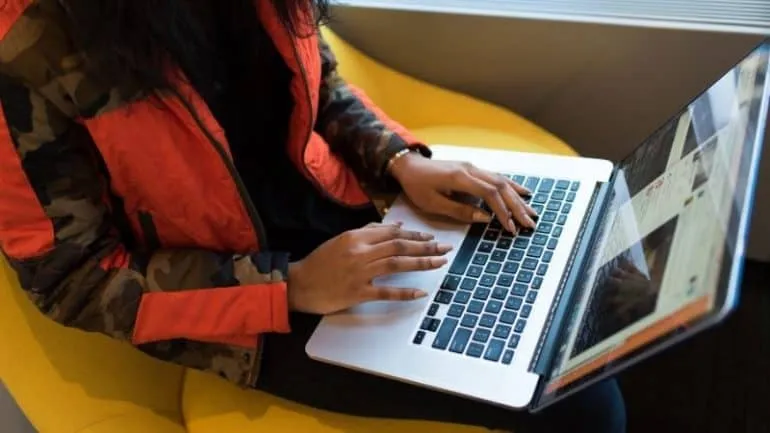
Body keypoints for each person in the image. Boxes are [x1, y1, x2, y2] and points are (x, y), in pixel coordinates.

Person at [0, 1, 625, 432]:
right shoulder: (22, 50)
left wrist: (401, 162)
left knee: (592, 274)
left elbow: (316, 82)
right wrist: (289, 285)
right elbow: (70, 278)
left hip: (348, 209)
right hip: (240, 305)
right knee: (577, 397)